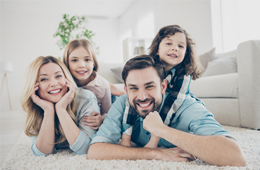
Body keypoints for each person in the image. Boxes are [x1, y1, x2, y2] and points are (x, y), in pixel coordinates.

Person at [88, 55, 246, 166]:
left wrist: (161, 130)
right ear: (126, 90)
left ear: (163, 86)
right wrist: (154, 153)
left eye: (149, 86)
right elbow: (95, 151)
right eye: (134, 88)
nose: (142, 97)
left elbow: (235, 156)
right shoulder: (123, 103)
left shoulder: (187, 106)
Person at [121, 25, 202, 148]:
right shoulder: (148, 67)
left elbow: (171, 105)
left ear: (185, 53)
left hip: (172, 103)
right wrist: (126, 138)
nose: (175, 48)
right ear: (157, 49)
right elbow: (131, 103)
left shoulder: (184, 74)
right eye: (169, 43)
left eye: (180, 46)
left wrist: (155, 139)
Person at [20, 56, 100, 156]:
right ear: (34, 86)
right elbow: (41, 153)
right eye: (44, 79)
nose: (53, 83)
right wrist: (48, 110)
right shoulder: (36, 103)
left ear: (66, 78)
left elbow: (86, 149)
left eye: (58, 76)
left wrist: (61, 109)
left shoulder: (85, 98)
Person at [63, 39, 124, 130]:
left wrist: (102, 119)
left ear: (94, 63)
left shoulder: (102, 86)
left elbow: (107, 113)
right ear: (66, 63)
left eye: (87, 59)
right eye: (74, 60)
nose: (82, 65)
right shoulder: (62, 82)